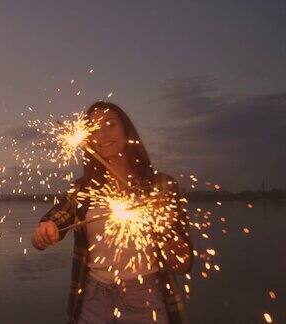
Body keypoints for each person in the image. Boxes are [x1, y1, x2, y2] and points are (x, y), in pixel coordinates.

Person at [31, 101, 193, 324]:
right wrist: (43, 232)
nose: (103, 134)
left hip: (144, 298)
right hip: (92, 297)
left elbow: (182, 265)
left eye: (110, 124)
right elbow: (56, 219)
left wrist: (164, 226)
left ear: (127, 130)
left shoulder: (161, 186)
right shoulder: (82, 189)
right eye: (95, 129)